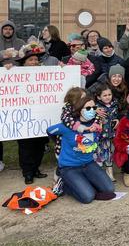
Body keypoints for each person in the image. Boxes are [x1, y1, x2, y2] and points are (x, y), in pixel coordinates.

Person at [46, 95, 115, 203]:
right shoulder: (67, 126)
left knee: (109, 189)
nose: (91, 110)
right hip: (69, 167)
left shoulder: (96, 125)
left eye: (93, 107)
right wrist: (59, 142)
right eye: (88, 108)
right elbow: (50, 131)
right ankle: (64, 184)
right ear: (79, 110)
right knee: (88, 197)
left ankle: (83, 182)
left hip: (88, 163)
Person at [13, 44, 50, 183]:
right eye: (31, 60)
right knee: (26, 146)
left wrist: (62, 69)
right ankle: (27, 171)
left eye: (36, 60)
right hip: (24, 117)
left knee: (40, 145)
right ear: (24, 63)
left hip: (40, 116)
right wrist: (8, 70)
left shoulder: (45, 74)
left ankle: (36, 168)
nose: (34, 62)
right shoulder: (16, 74)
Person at [93, 83, 123, 181]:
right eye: (104, 95)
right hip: (99, 135)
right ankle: (99, 174)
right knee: (98, 154)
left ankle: (110, 172)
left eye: (109, 95)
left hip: (111, 134)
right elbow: (85, 109)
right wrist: (94, 109)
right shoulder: (96, 106)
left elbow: (120, 113)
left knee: (110, 152)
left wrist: (118, 119)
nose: (107, 97)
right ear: (99, 97)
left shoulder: (115, 104)